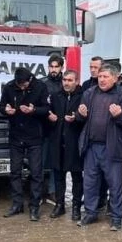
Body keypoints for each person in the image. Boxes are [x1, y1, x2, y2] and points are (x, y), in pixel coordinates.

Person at [77, 63, 122, 230]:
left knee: (115, 184)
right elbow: (81, 120)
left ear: (115, 78)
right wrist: (80, 115)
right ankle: (90, 213)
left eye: (105, 76)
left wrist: (119, 116)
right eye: (100, 76)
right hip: (91, 146)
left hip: (112, 148)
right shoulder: (89, 93)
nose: (101, 79)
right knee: (90, 182)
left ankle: (116, 218)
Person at [0, 67, 49, 221]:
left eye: (24, 85)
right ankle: (17, 204)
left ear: (30, 79)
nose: (22, 88)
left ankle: (34, 207)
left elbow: (46, 109)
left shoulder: (40, 87)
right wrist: (6, 110)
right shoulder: (8, 87)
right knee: (15, 172)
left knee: (36, 173)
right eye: (19, 85)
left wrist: (34, 110)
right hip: (16, 136)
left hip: (34, 137)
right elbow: (1, 106)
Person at [47, 70, 84, 221]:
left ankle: (76, 206)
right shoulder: (56, 96)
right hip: (57, 142)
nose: (67, 83)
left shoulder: (83, 97)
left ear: (76, 81)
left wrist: (77, 118)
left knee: (76, 177)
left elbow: (86, 119)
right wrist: (50, 117)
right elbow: (48, 114)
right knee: (58, 176)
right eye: (65, 80)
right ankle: (60, 204)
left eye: (70, 80)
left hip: (74, 143)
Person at [42, 54, 65, 203]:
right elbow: (38, 104)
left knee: (58, 163)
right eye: (51, 66)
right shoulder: (42, 83)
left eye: (56, 66)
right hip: (44, 129)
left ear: (62, 67)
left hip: (61, 129)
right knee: (42, 162)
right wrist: (47, 113)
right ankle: (40, 192)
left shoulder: (66, 83)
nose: (54, 69)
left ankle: (53, 191)